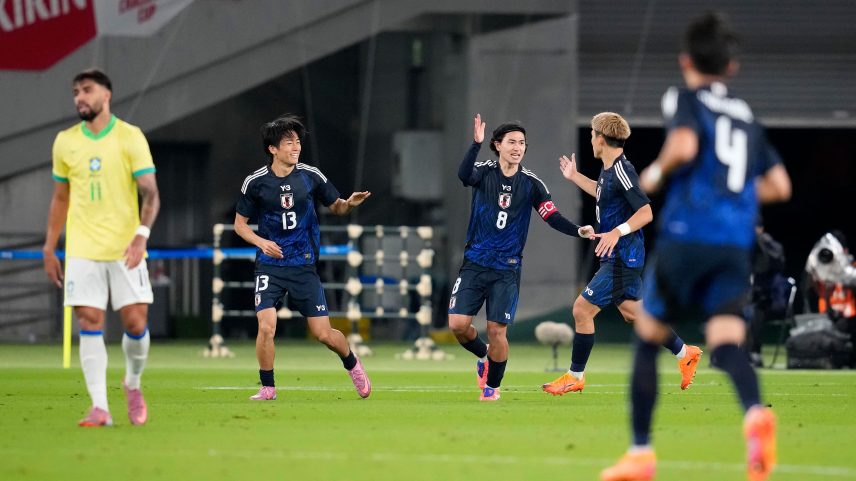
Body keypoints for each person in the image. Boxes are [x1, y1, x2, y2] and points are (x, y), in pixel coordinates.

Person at [600, 13, 792, 481]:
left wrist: (656, 175)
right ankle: (753, 414)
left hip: (688, 238)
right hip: (733, 246)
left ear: (686, 61)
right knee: (727, 344)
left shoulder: (684, 98)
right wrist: (734, 199)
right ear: (732, 68)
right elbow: (780, 186)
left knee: (647, 337)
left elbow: (684, 147)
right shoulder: (746, 115)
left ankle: (640, 454)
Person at [541, 112, 702, 396]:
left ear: (601, 138)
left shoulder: (621, 170)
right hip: (622, 256)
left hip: (621, 256)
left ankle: (574, 376)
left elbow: (646, 211)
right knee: (632, 313)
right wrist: (575, 176)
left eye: (592, 135)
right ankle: (684, 352)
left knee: (581, 309)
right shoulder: (609, 170)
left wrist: (617, 232)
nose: (590, 139)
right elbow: (603, 193)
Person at [43, 68, 161, 427]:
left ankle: (133, 382)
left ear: (106, 95)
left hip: (126, 248)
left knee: (136, 322)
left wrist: (142, 234)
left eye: (87, 90)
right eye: (76, 91)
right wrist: (50, 247)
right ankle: (100, 408)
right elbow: (60, 197)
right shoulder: (65, 141)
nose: (80, 96)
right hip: (82, 249)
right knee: (89, 321)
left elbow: (151, 193)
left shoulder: (129, 137)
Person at [448, 114, 594, 402]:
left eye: (522, 143)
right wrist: (475, 144)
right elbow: (464, 176)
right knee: (458, 325)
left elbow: (552, 216)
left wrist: (579, 230)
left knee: (496, 330)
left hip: (507, 269)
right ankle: (483, 356)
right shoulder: (484, 172)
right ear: (497, 145)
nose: (517, 147)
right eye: (511, 142)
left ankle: (492, 387)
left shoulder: (532, 184)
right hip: (475, 263)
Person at [235, 114, 372, 401]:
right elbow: (240, 225)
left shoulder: (310, 175)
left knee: (323, 334)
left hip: (303, 263)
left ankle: (352, 363)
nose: (296, 147)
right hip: (270, 265)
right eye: (289, 142)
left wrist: (348, 204)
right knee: (266, 325)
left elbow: (336, 208)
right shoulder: (256, 182)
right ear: (273, 149)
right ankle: (267, 387)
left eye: (298, 142)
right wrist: (262, 243)